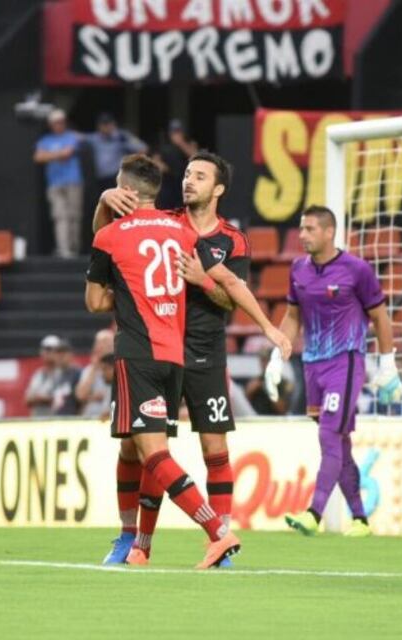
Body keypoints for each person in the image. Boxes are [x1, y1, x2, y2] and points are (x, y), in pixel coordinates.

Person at [85, 153, 291, 569]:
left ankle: (215, 534)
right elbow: (112, 231)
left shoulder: (230, 240)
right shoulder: (173, 224)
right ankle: (138, 542)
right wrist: (106, 199)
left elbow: (227, 292)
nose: (189, 181)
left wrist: (203, 280)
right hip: (171, 348)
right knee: (140, 448)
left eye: (200, 176)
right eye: (186, 174)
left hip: (194, 351)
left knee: (190, 448)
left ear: (218, 189)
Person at [264, 205, 402, 538]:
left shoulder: (357, 270)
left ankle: (314, 513)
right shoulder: (298, 269)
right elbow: (293, 316)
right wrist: (276, 357)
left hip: (346, 361)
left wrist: (387, 363)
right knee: (339, 442)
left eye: (310, 229)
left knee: (328, 435)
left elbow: (380, 317)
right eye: (301, 228)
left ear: (330, 232)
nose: (302, 235)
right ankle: (360, 519)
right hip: (313, 364)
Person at [34, 109, 84, 258]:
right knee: (60, 216)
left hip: (73, 181)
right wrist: (58, 155)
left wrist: (49, 155)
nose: (59, 125)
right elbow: (38, 157)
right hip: (55, 183)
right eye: (56, 123)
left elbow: (67, 153)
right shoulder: (45, 140)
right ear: (51, 124)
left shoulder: (72, 136)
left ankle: (74, 248)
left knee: (74, 216)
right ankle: (64, 249)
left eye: (61, 122)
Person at [87, 113, 147, 199]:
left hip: (116, 178)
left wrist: (126, 140)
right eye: (104, 124)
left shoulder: (121, 136)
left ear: (113, 124)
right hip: (100, 178)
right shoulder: (95, 138)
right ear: (99, 126)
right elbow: (78, 138)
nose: (106, 127)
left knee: (119, 202)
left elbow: (143, 148)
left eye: (108, 124)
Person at [25, 335, 80, 417]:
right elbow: (27, 399)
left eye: (50, 350)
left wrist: (41, 398)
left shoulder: (65, 373)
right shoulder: (39, 374)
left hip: (55, 420)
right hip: (37, 421)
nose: (47, 353)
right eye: (45, 349)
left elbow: (65, 399)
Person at [153, 120, 198, 209]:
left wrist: (181, 143)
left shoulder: (189, 143)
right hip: (167, 183)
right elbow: (155, 161)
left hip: (183, 182)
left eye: (178, 132)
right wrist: (163, 167)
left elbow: (195, 156)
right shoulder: (163, 145)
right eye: (174, 132)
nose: (176, 135)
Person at [75, 328, 115, 419]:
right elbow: (80, 395)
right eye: (99, 343)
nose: (103, 347)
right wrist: (95, 367)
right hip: (90, 418)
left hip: (111, 418)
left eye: (106, 343)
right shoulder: (90, 369)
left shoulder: (120, 368)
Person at [247, 347, 292, 415]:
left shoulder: (282, 382)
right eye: (262, 360)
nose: (264, 364)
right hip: (256, 418)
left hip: (275, 420)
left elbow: (282, 410)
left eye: (267, 360)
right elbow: (244, 405)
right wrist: (250, 391)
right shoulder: (256, 381)